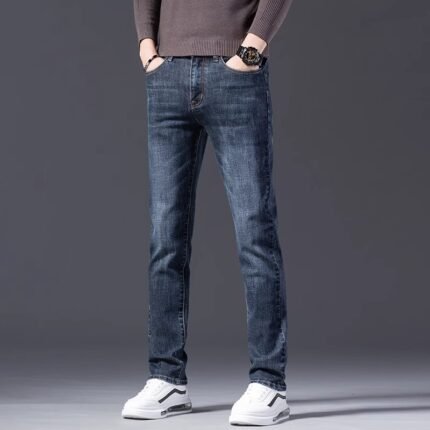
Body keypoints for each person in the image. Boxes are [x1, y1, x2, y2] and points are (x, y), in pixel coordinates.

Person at [122, 0, 294, 426]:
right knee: (165, 237)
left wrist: (251, 50)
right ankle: (166, 379)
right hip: (167, 75)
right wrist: (147, 47)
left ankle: (269, 382)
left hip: (234, 72)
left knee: (254, 231)